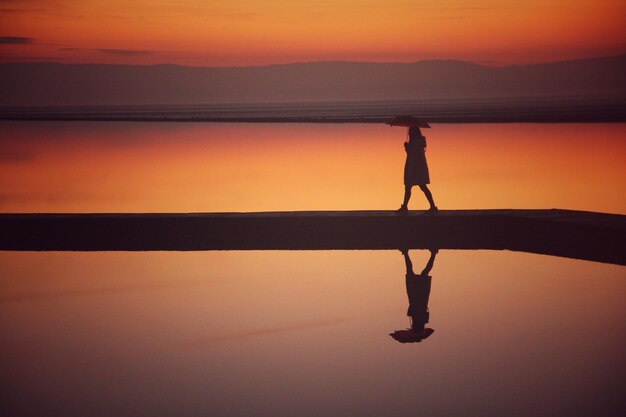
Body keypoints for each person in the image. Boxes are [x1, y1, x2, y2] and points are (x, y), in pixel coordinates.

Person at [389, 248, 437, 343]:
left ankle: (433, 254)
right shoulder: (416, 317)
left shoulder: (423, 319)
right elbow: (411, 309)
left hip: (421, 296)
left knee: (421, 273)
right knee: (413, 272)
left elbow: (423, 311)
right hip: (415, 296)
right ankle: (407, 253)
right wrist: (410, 313)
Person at [396, 126, 437, 213]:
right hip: (419, 166)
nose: (409, 134)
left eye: (410, 132)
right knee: (420, 187)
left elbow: (412, 154)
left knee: (410, 187)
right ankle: (432, 206)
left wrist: (406, 147)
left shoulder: (415, 142)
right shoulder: (420, 142)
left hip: (414, 167)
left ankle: (405, 207)